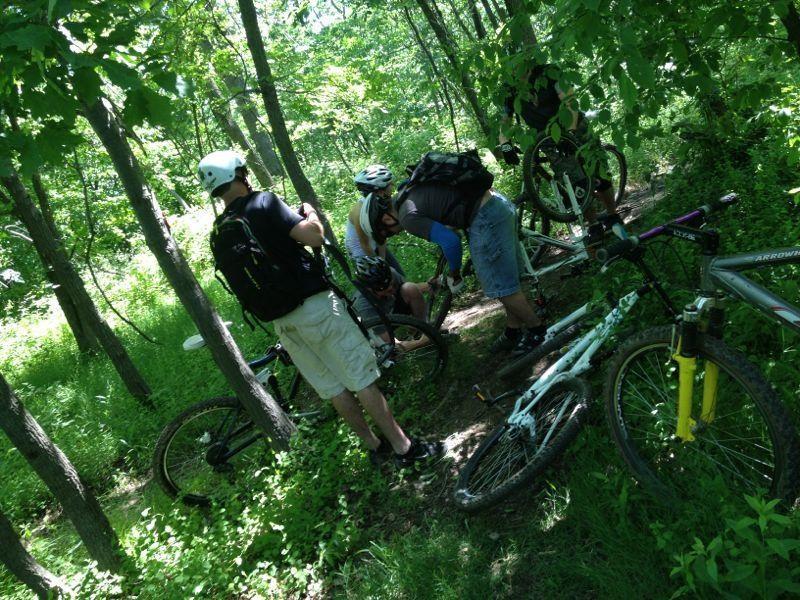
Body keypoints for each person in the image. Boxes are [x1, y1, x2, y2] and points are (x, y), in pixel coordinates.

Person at [196, 150, 440, 467]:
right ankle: (404, 448)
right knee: (360, 377)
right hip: (315, 308)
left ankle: (374, 447)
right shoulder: (264, 202)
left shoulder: (218, 231)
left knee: (335, 387)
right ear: (239, 174)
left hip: (283, 323)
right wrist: (310, 215)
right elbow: (312, 238)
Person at [373, 181, 547, 356]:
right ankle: (513, 330)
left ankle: (537, 331)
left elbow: (451, 241)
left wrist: (455, 274)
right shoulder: (409, 195)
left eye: (388, 232)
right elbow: (450, 229)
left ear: (387, 218)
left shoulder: (407, 217)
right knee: (506, 279)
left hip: (485, 217)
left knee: (501, 286)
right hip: (497, 203)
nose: (395, 234)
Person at [498, 62, 617, 217]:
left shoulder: (548, 72)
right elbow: (504, 122)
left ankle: (613, 214)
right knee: (574, 184)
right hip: (548, 139)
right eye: (511, 67)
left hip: (576, 127)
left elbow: (570, 102)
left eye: (517, 65)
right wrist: (505, 145)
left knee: (600, 174)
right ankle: (592, 224)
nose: (515, 70)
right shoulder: (509, 89)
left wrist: (571, 132)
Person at [346, 164, 405, 275]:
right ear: (380, 191)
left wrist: (382, 259)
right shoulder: (359, 212)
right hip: (362, 254)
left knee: (399, 276)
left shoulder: (379, 204)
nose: (392, 185)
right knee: (388, 285)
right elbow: (365, 245)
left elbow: (381, 236)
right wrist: (381, 264)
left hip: (375, 244)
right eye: (388, 184)